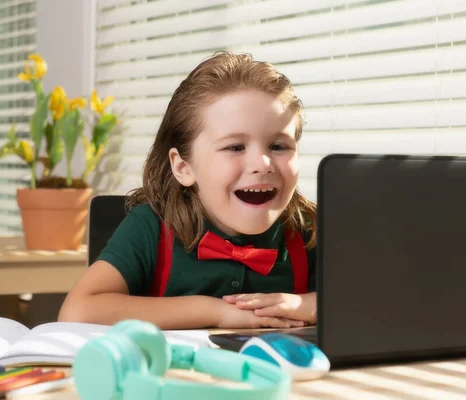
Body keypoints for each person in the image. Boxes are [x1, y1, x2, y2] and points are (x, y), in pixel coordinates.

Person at [58, 52, 318, 330]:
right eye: (235, 147)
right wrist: (216, 312)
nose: (263, 164)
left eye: (278, 146)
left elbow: (367, 298)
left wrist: (309, 305)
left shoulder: (308, 231)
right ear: (183, 167)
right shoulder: (150, 229)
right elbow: (77, 310)